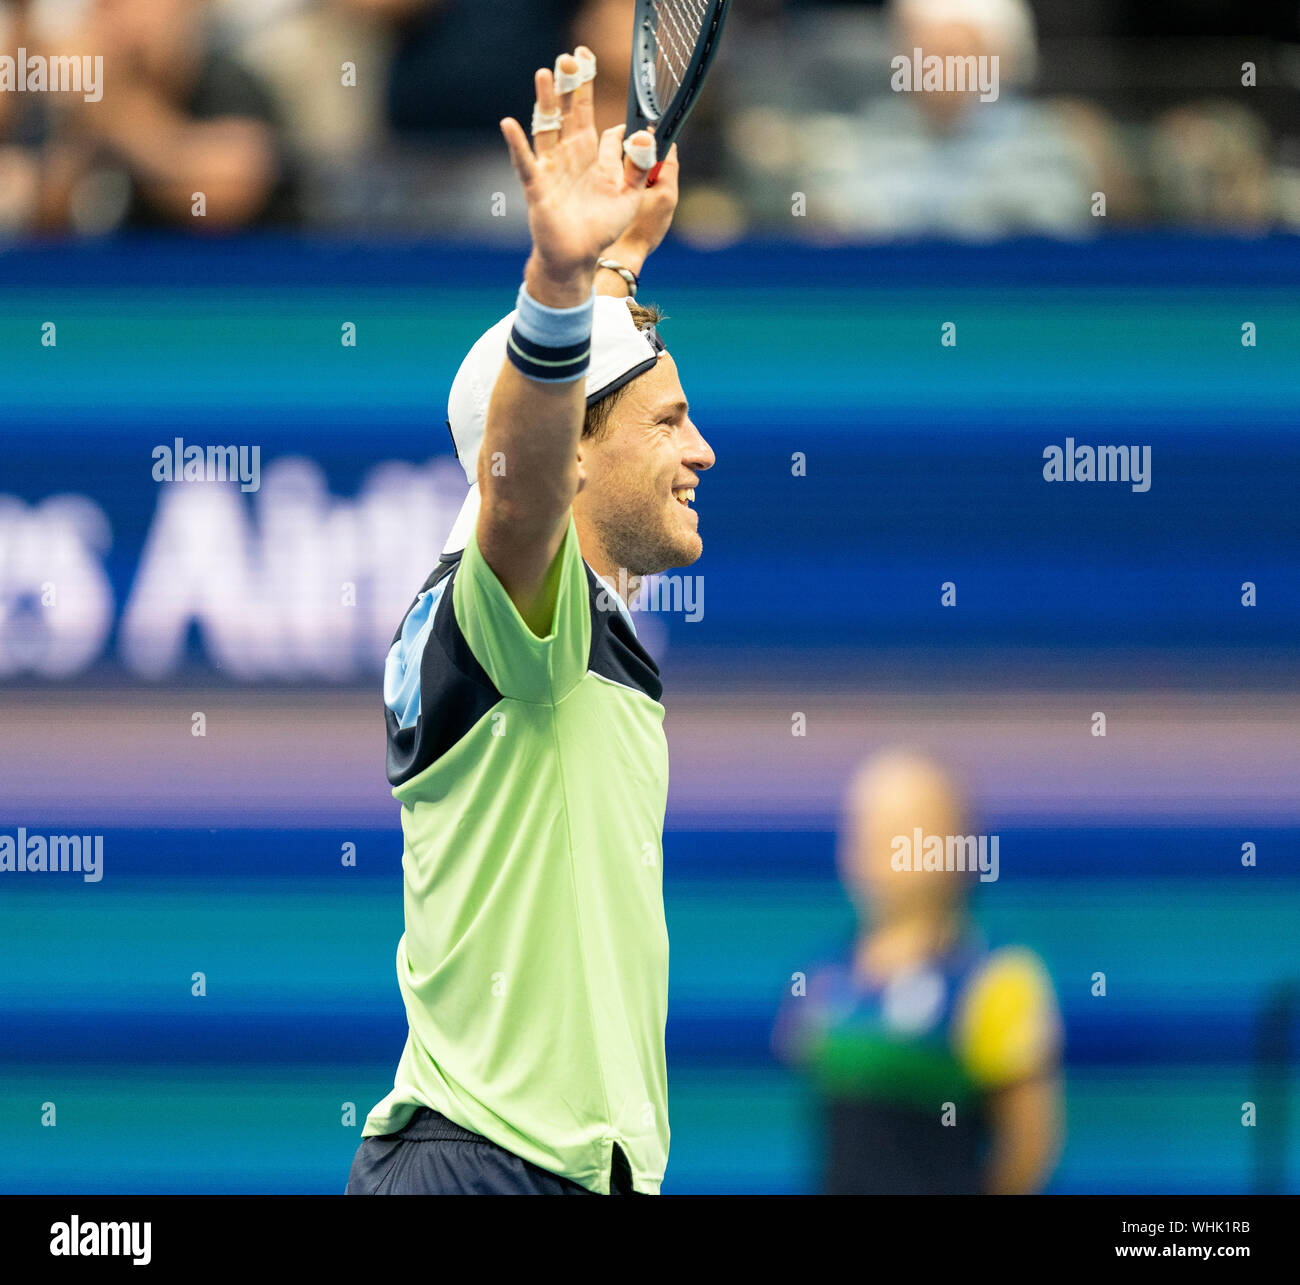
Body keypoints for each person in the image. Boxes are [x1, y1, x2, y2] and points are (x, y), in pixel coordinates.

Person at [346, 47, 713, 1195]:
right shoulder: (521, 622)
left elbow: (537, 451)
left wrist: (615, 260)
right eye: (667, 424)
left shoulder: (509, 615)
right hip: (488, 1170)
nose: (700, 451)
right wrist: (559, 281)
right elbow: (522, 480)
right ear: (574, 461)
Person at [774, 749, 1064, 1194]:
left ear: (952, 842)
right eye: (860, 829)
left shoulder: (996, 980)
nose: (868, 847)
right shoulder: (827, 976)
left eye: (895, 832)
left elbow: (1029, 1143)